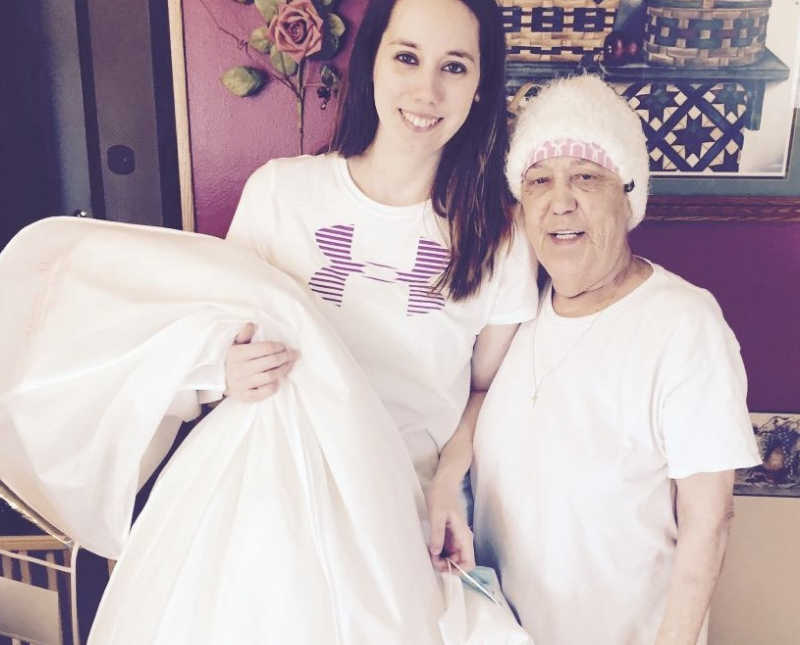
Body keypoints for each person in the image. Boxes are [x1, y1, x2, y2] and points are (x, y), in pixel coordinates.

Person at [224, 0, 537, 572]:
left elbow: (486, 392)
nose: (426, 92)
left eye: (455, 67)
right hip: (274, 488)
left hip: (408, 508)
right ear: (372, 63)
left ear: (482, 87)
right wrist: (226, 371)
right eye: (407, 57)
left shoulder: (502, 235)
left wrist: (448, 483)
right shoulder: (280, 195)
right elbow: (219, 341)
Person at [471, 75, 762, 645]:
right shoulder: (514, 314)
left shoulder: (684, 322)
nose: (560, 202)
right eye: (538, 181)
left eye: (586, 176)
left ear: (629, 198)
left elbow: (709, 522)